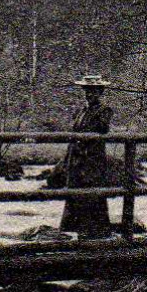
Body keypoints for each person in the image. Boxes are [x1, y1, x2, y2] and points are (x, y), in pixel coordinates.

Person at [59, 76, 116, 238]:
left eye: (93, 91)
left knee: (92, 194)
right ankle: (73, 232)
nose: (89, 94)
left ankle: (95, 233)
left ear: (100, 92)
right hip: (76, 158)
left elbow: (102, 130)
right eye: (87, 91)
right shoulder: (81, 111)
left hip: (92, 159)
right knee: (75, 194)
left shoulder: (104, 111)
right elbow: (74, 133)